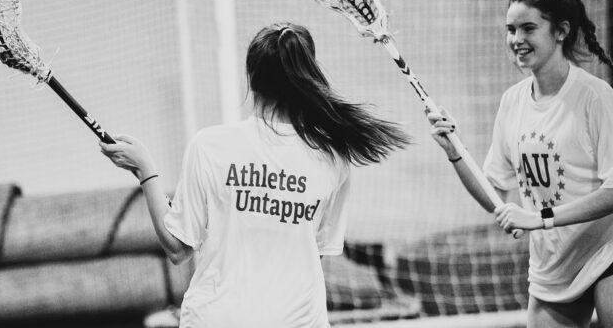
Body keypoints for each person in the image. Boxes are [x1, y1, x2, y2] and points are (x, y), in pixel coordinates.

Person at [100, 22, 410, 327]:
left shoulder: (209, 146)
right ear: (305, 77)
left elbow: (178, 248)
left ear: (251, 78)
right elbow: (316, 256)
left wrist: (145, 170)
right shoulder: (335, 157)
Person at [427, 0, 613, 327]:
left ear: (560, 31)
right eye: (510, 29)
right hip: (552, 265)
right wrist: (455, 152)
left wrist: (539, 218)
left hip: (610, 250)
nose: (516, 39)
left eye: (528, 28)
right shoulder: (512, 102)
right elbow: (495, 195)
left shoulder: (596, 98)